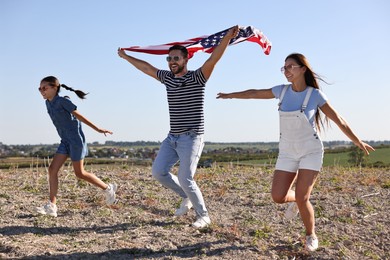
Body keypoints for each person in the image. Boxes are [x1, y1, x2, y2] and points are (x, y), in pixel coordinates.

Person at [216, 53, 375, 251]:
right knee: (277, 197)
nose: (287, 71)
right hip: (287, 152)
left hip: (311, 151)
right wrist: (230, 95)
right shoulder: (281, 91)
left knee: (303, 197)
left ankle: (311, 235)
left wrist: (358, 141)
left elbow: (339, 120)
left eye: (291, 66)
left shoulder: (315, 95)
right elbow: (254, 93)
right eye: (284, 68)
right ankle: (297, 202)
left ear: (303, 69)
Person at [118, 26, 239, 228]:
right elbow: (146, 68)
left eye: (176, 58)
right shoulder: (167, 79)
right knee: (158, 172)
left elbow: (213, 60)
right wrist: (126, 57)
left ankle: (204, 216)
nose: (172, 62)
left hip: (192, 137)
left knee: (185, 176)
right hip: (172, 137)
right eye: (169, 59)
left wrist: (226, 38)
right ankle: (187, 196)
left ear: (186, 59)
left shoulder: (197, 78)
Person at [36, 76, 118, 217]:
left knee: (80, 173)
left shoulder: (63, 101)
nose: (41, 91)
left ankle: (107, 188)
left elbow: (78, 116)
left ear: (54, 88)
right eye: (39, 88)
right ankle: (52, 206)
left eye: (44, 88)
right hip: (65, 141)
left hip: (76, 141)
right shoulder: (48, 103)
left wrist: (98, 129)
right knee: (52, 169)